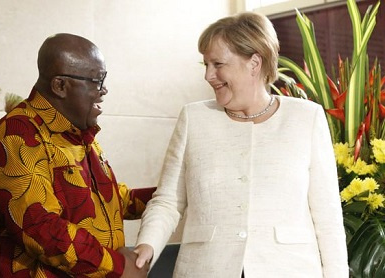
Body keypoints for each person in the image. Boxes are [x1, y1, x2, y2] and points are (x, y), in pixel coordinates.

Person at [133, 12, 349, 277]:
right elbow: (168, 201)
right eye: (206, 65)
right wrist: (147, 245)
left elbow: (327, 218)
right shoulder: (194, 118)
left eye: (218, 64)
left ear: (254, 63)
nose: (209, 75)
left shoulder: (306, 117)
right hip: (207, 269)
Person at [0, 33, 155, 277]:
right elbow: (40, 228)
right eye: (96, 81)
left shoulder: (76, 134)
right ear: (60, 85)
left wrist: (173, 195)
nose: (104, 90)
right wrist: (118, 268)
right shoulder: (18, 136)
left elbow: (113, 200)